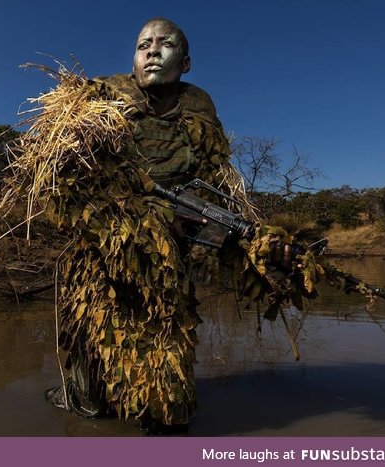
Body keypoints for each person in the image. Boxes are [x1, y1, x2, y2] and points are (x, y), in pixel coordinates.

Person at [43, 17, 243, 433]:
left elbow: (215, 185)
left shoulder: (199, 107)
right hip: (104, 249)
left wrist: (206, 241)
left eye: (165, 44)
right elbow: (63, 180)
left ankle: (161, 419)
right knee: (94, 367)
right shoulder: (102, 98)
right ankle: (92, 401)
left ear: (185, 62)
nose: (152, 50)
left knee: (165, 371)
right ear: (134, 58)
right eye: (143, 45)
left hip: (171, 254)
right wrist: (128, 222)